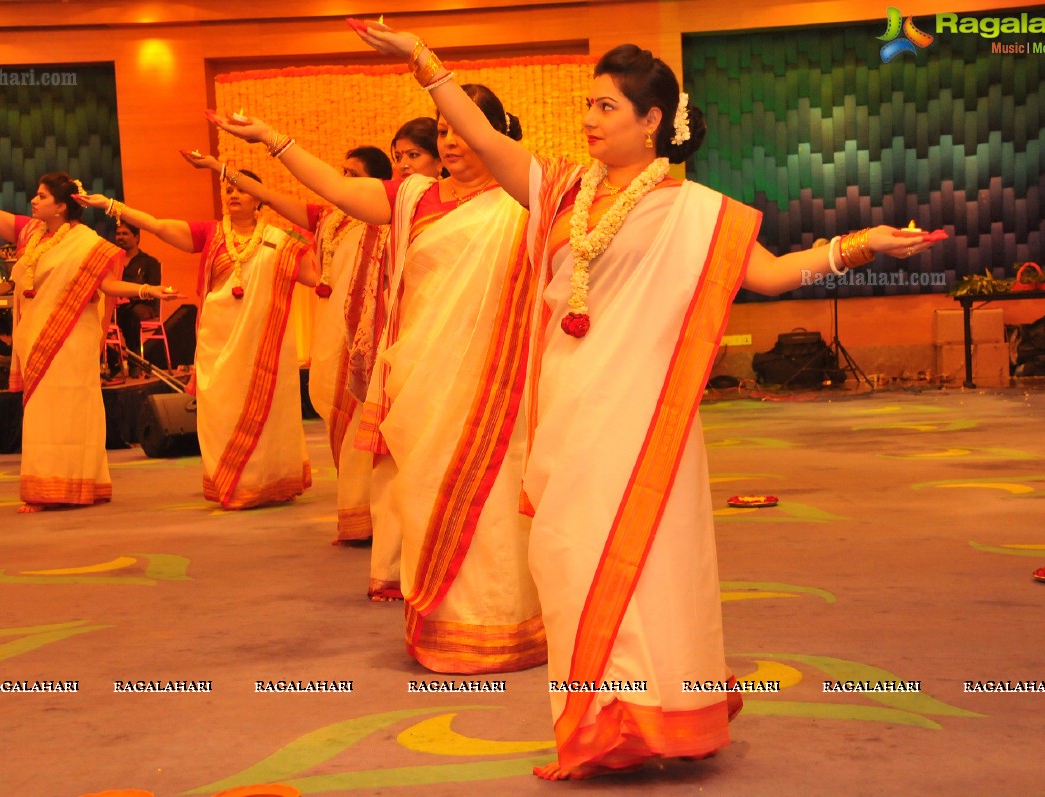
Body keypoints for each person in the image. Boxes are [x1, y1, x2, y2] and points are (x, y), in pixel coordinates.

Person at [351, 22, 944, 780]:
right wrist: (425, 65)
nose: (589, 119)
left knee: (641, 564)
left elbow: (767, 275)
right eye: (587, 105)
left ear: (651, 120)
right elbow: (487, 142)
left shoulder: (693, 209)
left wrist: (860, 244)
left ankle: (643, 717)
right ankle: (601, 714)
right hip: (566, 412)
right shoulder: (562, 187)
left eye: (605, 107)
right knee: (566, 564)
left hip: (634, 418)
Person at [207, 86, 546, 671]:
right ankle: (444, 625)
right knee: (419, 491)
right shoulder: (414, 197)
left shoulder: (523, 201)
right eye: (442, 131)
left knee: (491, 499)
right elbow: (337, 191)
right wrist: (271, 141)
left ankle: (500, 623)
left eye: (463, 128)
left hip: (494, 382)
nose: (451, 141)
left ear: (493, 133)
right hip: (422, 377)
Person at [0, 158, 177, 512]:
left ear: (61, 205)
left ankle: (78, 484)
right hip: (36, 336)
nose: (34, 201)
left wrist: (148, 291)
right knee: (42, 413)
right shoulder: (28, 233)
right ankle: (46, 487)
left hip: (73, 337)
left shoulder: (86, 242)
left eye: (42, 196)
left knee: (74, 408)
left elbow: (106, 285)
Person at [181, 145, 394, 557]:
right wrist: (219, 168)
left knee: (367, 429)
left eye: (352, 175)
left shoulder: (389, 218)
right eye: (342, 172)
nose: (342, 181)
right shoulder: (329, 220)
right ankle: (357, 514)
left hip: (374, 332)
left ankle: (376, 517)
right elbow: (276, 199)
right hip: (335, 335)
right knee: (341, 422)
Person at [76, 168, 319, 510]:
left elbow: (314, 279)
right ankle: (232, 484)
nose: (232, 195)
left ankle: (267, 483)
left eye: (241, 190)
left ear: (259, 198)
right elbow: (157, 225)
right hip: (216, 342)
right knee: (220, 411)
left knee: (270, 413)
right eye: (228, 190)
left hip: (265, 345)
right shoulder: (212, 234)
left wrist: (314, 242)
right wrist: (110, 205)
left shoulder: (280, 241)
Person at [113, 220, 163, 370]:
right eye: (118, 234)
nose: (120, 237)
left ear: (136, 238)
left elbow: (154, 290)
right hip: (117, 306)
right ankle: (110, 363)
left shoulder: (150, 262)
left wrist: (130, 296)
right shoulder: (112, 261)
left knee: (130, 315)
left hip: (143, 306)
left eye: (125, 234)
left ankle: (135, 361)